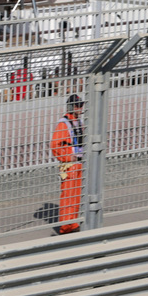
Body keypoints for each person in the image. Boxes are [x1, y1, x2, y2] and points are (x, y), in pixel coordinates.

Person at [49, 94, 85, 234]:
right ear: (71, 107)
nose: (80, 108)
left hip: (78, 162)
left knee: (76, 194)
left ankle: (73, 222)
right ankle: (65, 226)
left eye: (81, 105)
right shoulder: (64, 123)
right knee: (68, 194)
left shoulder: (79, 121)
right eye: (77, 105)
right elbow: (54, 144)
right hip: (69, 165)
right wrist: (66, 157)